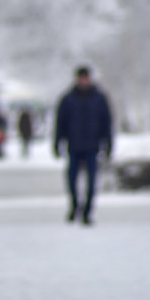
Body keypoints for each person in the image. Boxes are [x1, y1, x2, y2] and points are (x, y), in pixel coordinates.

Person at [54, 65, 113, 225]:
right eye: (81, 78)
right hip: (73, 146)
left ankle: (88, 211)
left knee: (92, 182)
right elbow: (60, 123)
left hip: (93, 146)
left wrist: (108, 144)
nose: (84, 81)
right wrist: (57, 142)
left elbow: (107, 122)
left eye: (86, 78)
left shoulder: (99, 99)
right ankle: (75, 205)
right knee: (71, 180)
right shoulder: (68, 99)